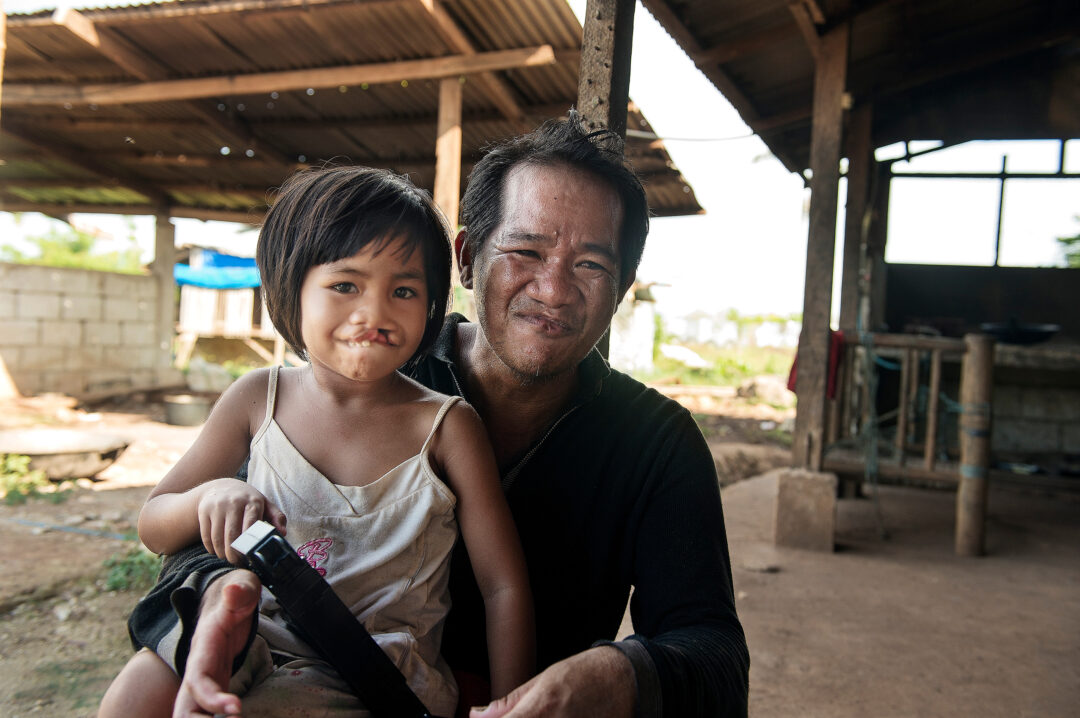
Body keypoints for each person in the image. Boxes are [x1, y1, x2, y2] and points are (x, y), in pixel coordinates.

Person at [105, 110, 750, 718]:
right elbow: (189, 536)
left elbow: (713, 652)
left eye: (590, 265)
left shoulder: (655, 443)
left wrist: (619, 673)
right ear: (468, 257)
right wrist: (221, 596)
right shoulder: (362, 370)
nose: (553, 289)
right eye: (525, 252)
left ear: (622, 289)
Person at [98, 166, 534, 718]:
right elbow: (154, 522)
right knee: (137, 691)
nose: (373, 313)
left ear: (430, 307)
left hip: (371, 673)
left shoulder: (448, 427)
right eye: (345, 285)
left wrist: (515, 703)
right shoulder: (257, 398)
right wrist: (208, 499)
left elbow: (503, 589)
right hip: (245, 634)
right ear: (292, 287)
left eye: (403, 290)